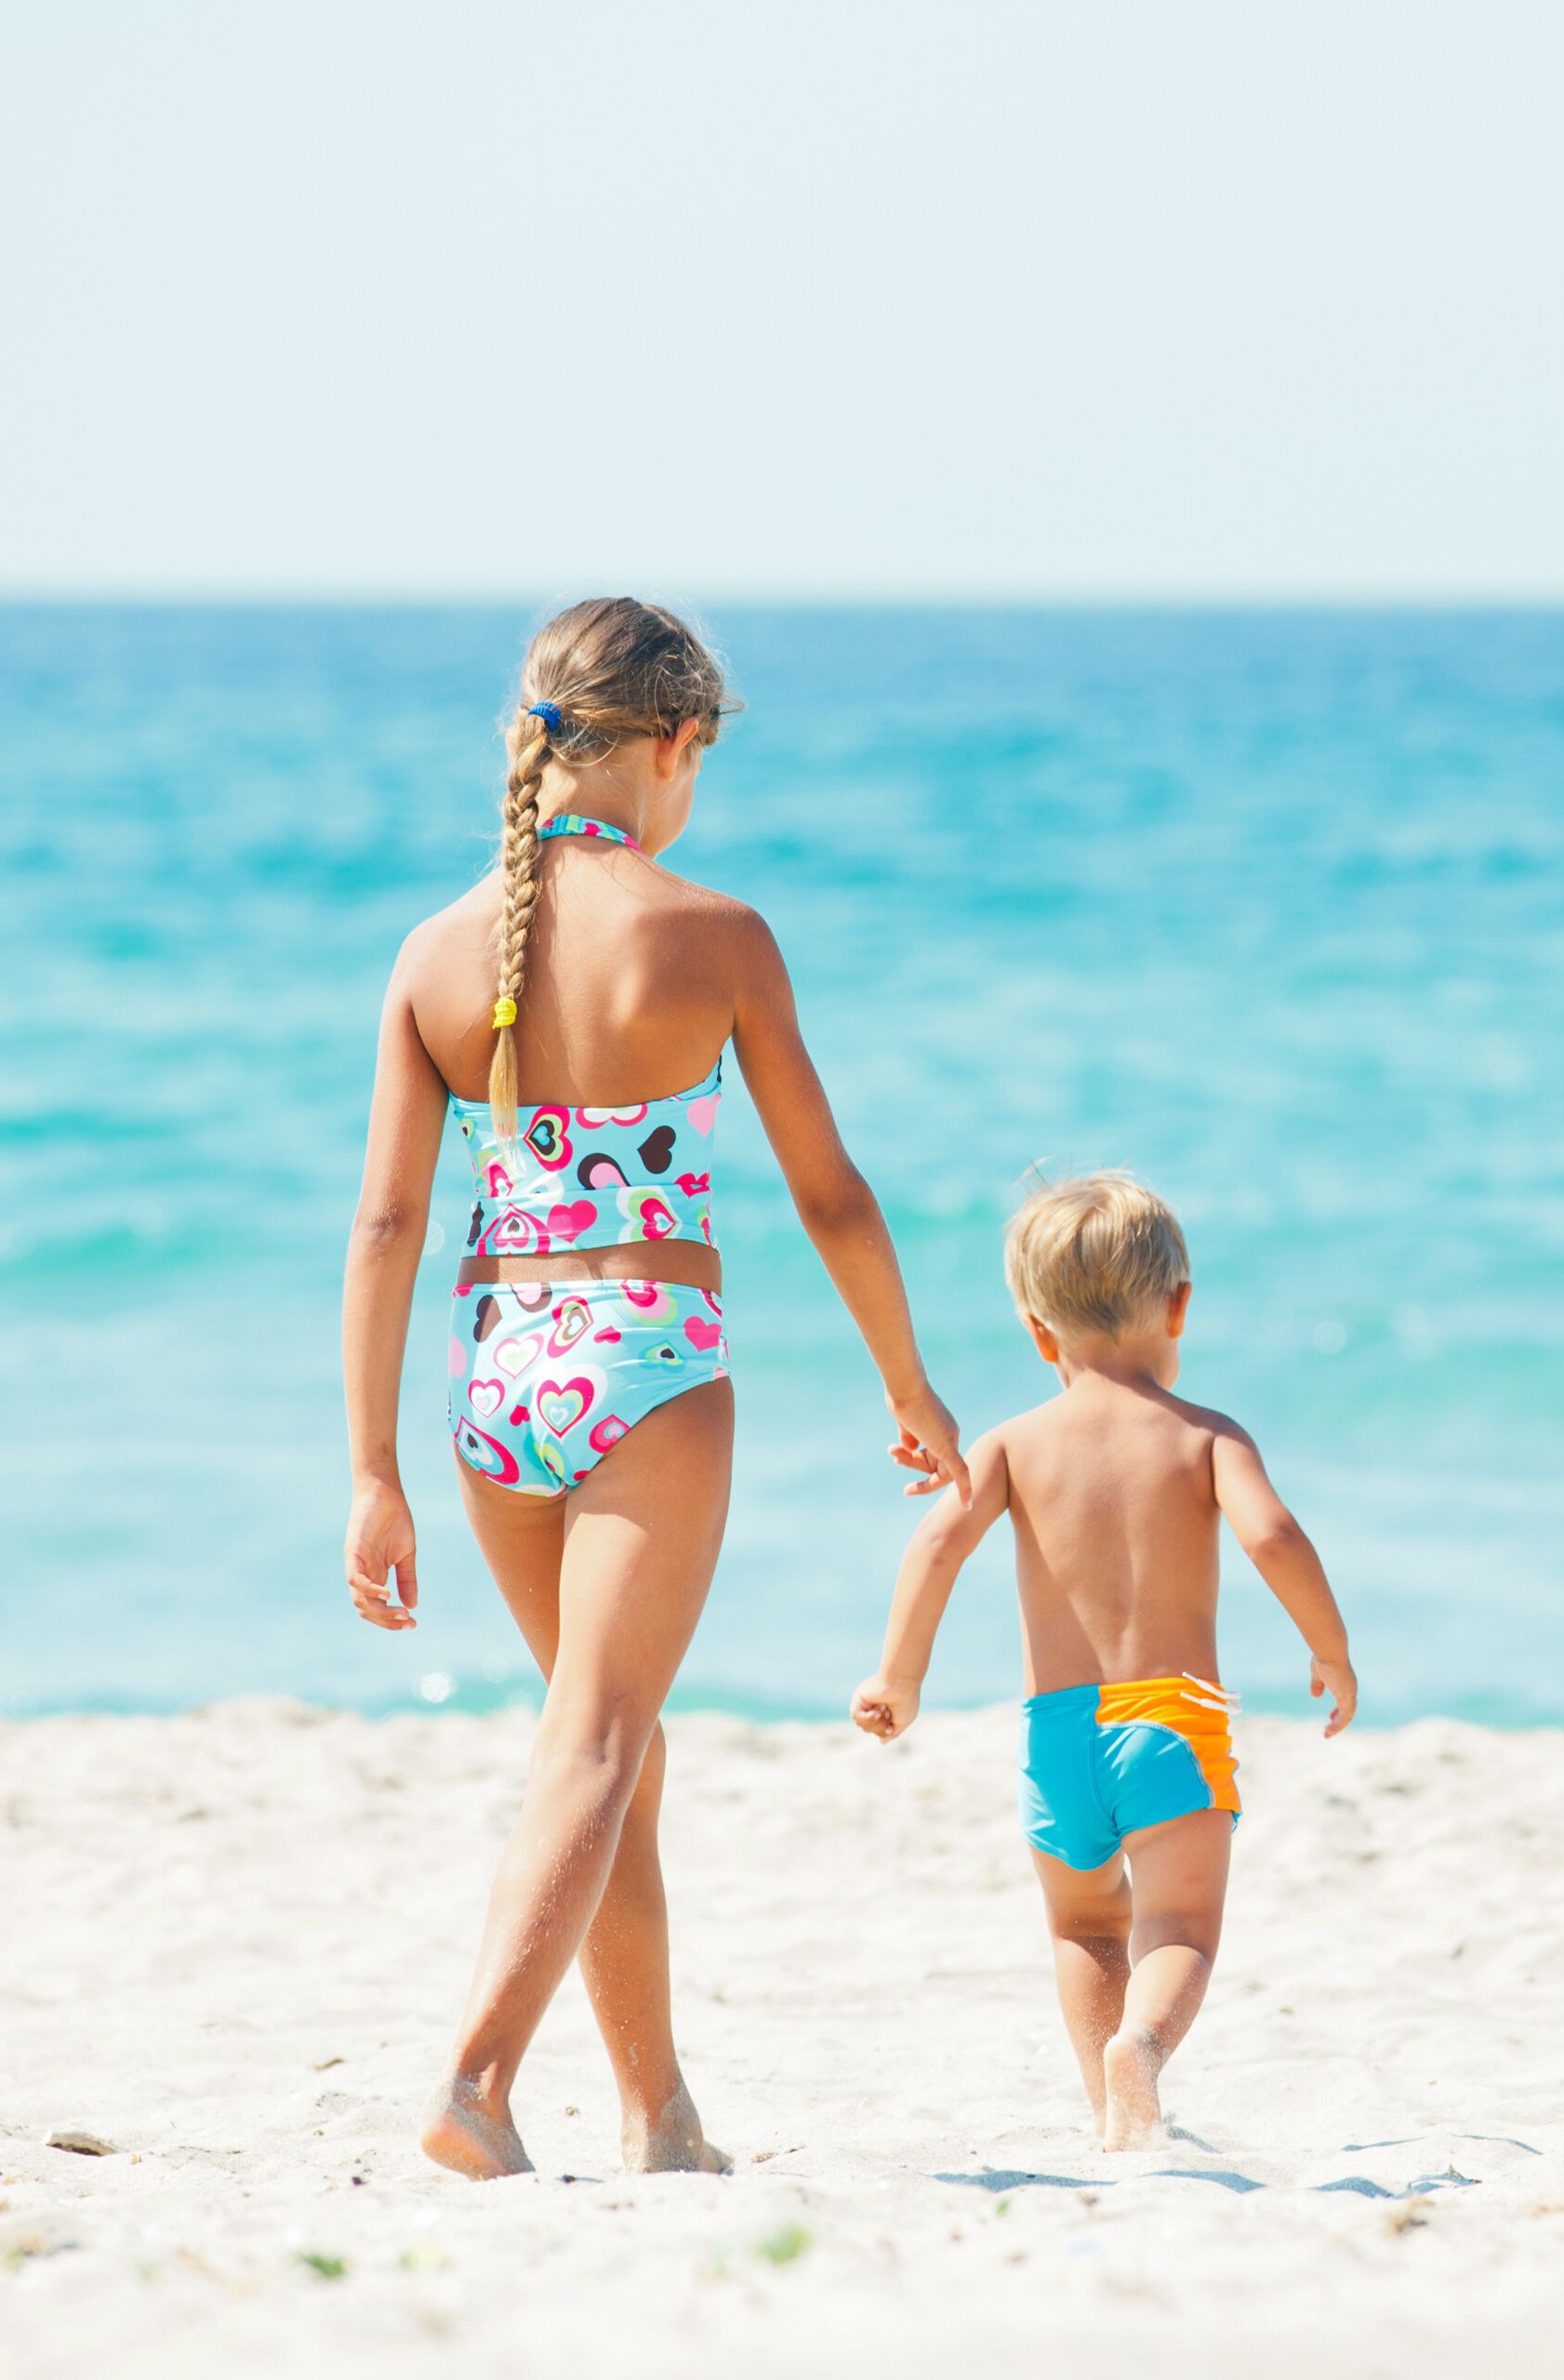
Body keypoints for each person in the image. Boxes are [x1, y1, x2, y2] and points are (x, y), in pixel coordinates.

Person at [339, 597, 966, 2179]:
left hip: (498, 1383)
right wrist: (912, 1381)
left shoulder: (433, 949)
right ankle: (477, 2077)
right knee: (601, 1741)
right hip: (645, 1364)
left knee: (606, 1736)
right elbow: (829, 1190)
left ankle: (657, 2112)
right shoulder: (715, 933)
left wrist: (374, 1466)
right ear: (676, 744)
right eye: (703, 762)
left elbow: (387, 1225)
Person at [849, 1172, 1356, 2149]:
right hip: (1171, 1722)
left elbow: (936, 1546)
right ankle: (1144, 2055)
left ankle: (1111, 2114)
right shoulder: (1207, 1437)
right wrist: (1327, 1648)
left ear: (1039, 1335)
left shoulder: (1008, 1444)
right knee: (1181, 1930)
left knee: (1082, 1926)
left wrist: (898, 1677)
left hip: (1057, 1736)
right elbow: (1275, 1538)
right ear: (1179, 1306)